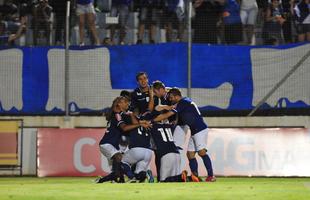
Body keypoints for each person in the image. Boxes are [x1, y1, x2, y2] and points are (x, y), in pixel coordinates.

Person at [151, 88, 216, 182]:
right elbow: (183, 117)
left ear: (177, 96)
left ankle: (211, 176)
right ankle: (195, 176)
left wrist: (152, 120)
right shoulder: (185, 101)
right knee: (190, 154)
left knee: (201, 152)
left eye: (172, 97)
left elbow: (168, 114)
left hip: (200, 129)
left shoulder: (182, 102)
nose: (170, 99)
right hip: (194, 130)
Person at [96, 96, 151, 183]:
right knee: (119, 157)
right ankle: (132, 177)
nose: (127, 104)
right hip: (107, 144)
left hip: (112, 145)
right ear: (119, 104)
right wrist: (140, 124)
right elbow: (124, 128)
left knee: (116, 171)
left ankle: (103, 180)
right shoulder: (117, 114)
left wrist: (140, 122)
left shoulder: (119, 114)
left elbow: (132, 123)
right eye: (125, 102)